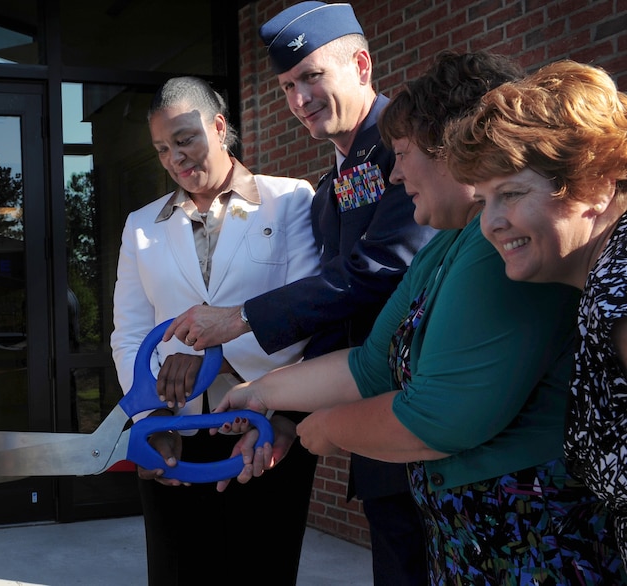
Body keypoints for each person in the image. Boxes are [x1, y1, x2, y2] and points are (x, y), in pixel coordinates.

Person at [216, 51, 627, 584]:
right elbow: (371, 364)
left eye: (403, 152)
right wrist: (261, 394)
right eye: (488, 197)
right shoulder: (459, 243)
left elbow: (442, 414)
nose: (392, 172)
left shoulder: (575, 273)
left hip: (533, 547)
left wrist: (321, 428)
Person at [162, 3, 436, 583]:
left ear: (361, 64)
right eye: (288, 86)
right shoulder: (332, 189)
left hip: (432, 423)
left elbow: (380, 269)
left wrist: (239, 318)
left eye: (312, 76)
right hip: (379, 425)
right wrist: (285, 416)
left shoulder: (408, 147)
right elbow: (339, 317)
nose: (299, 99)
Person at [110, 75, 320, 585]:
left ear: (220, 127)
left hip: (265, 427)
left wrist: (213, 357)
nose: (175, 158)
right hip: (172, 433)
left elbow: (309, 310)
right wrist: (153, 415)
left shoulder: (290, 200)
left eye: (185, 139)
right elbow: (129, 333)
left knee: (261, 568)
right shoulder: (141, 225)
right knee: (176, 571)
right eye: (162, 149)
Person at [443, 59, 627, 563]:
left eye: (512, 193)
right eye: (483, 201)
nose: (492, 223)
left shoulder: (619, 286)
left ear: (596, 182)